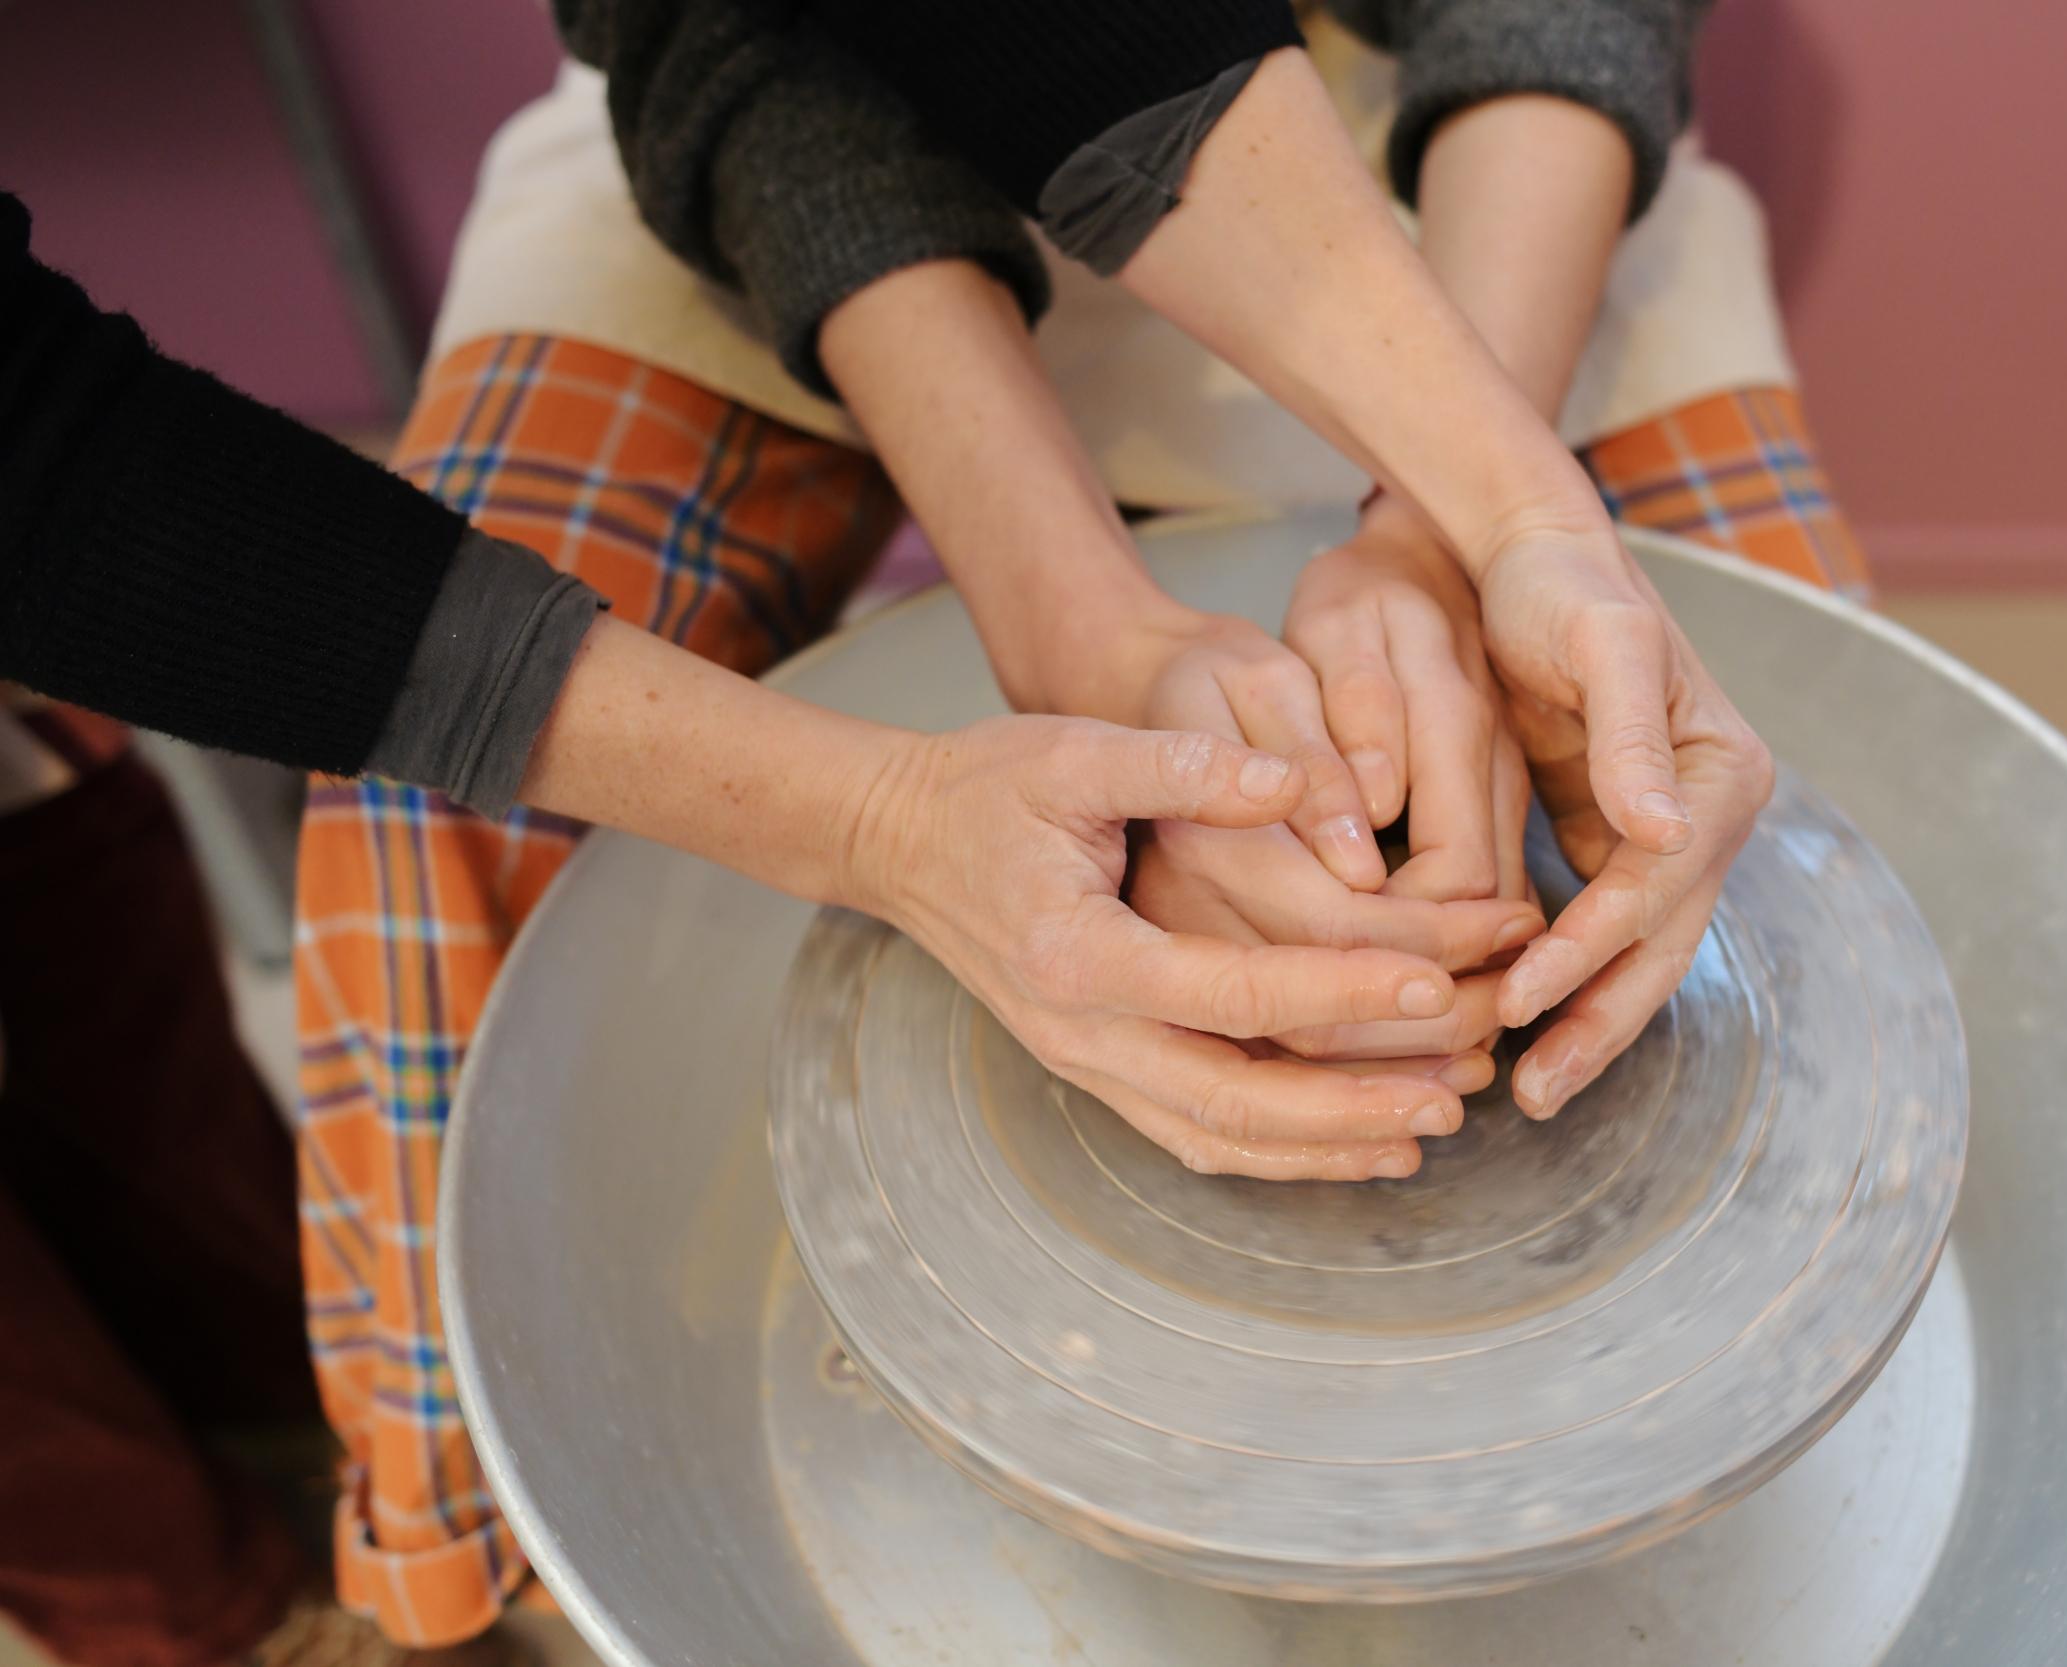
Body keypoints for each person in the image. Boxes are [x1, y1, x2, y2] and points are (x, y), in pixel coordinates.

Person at [289, 0, 1870, 1648]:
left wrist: (1464, 527)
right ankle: (461, 1591)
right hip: (790, 112)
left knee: (1769, 767)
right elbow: (741, 35)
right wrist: (1075, 629)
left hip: (1432, 152)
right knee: (411, 840)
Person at [0, 184, 1479, 1666]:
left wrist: (1449, 529)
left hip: (1380, 183)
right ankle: (301, 1598)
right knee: (408, 844)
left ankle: (259, 1394)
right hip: (761, 191)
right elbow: (51, 466)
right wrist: (928, 774)